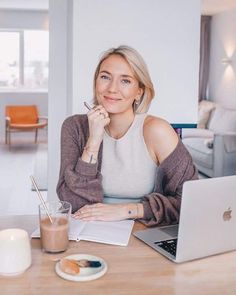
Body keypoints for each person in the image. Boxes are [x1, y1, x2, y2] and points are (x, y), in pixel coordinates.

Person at [57, 45, 198, 226]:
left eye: (125, 81)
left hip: (144, 232)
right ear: (96, 83)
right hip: (88, 231)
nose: (112, 89)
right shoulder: (74, 127)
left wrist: (128, 210)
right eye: (105, 77)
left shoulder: (157, 131)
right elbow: (74, 204)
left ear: (139, 91)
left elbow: (190, 201)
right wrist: (93, 141)